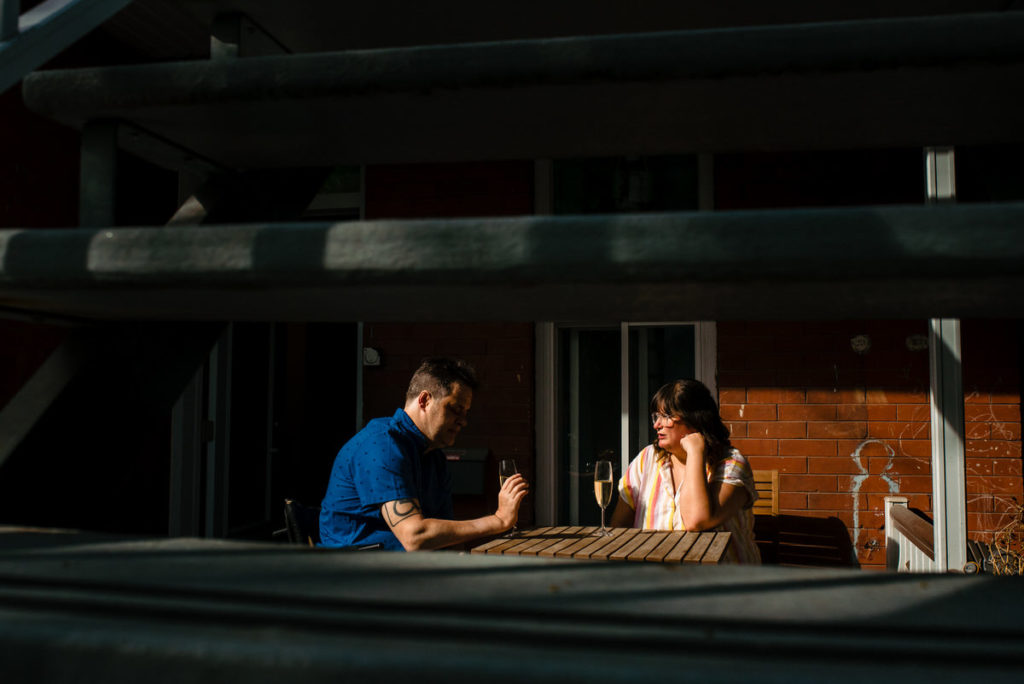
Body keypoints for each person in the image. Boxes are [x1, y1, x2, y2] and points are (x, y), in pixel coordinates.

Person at [319, 357, 528, 551]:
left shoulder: (433, 456)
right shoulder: (382, 445)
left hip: (404, 575)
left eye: (466, 413)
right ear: (425, 400)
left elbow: (442, 539)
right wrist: (499, 520)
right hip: (355, 578)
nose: (463, 421)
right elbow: (415, 537)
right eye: (455, 409)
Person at [609, 379, 761, 563]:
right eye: (656, 416)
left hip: (720, 582)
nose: (657, 424)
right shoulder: (646, 460)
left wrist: (696, 451)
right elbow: (619, 525)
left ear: (694, 418)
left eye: (666, 416)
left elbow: (696, 520)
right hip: (657, 577)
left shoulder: (731, 464)